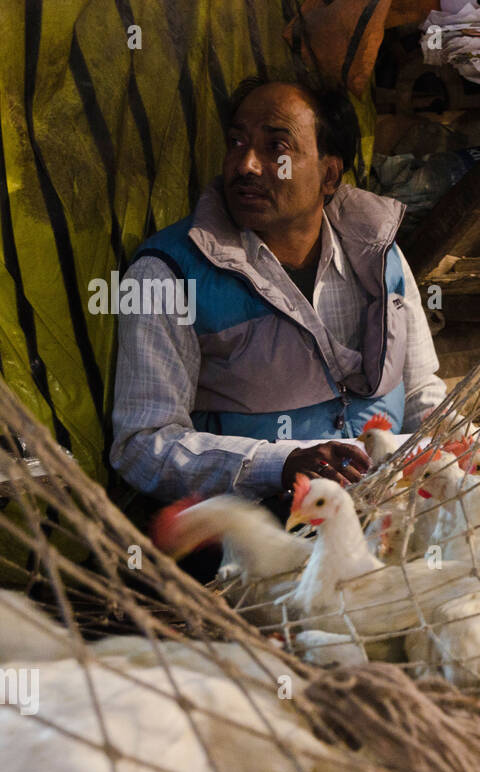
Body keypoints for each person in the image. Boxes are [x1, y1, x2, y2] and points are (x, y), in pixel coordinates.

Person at [110, 76, 445, 502]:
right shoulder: (166, 274)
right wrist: (279, 465)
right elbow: (142, 444)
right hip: (259, 528)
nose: (246, 165)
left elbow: (420, 391)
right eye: (236, 142)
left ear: (329, 174)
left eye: (276, 148)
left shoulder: (378, 254)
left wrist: (454, 446)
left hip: (387, 504)